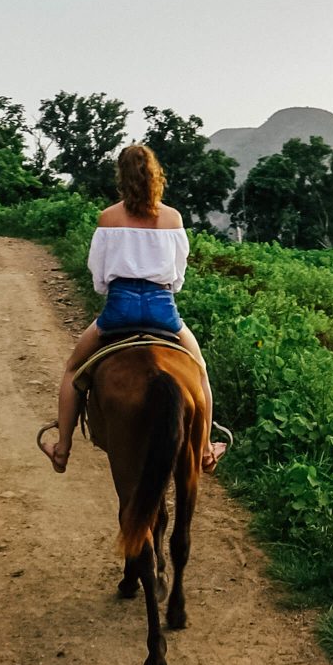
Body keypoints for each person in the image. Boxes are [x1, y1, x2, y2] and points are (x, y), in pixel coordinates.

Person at [39, 144, 227, 474]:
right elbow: (177, 277)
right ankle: (204, 449)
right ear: (156, 175)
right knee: (199, 371)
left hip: (119, 312)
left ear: (121, 178)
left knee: (73, 370)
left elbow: (98, 276)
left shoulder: (108, 217)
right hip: (162, 313)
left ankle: (62, 449)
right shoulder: (173, 218)